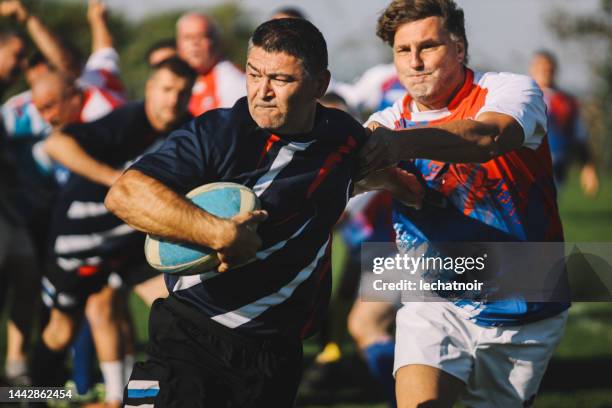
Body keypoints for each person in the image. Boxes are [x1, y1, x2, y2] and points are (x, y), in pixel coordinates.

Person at [105, 18, 373, 407]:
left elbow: (373, 165)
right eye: (253, 74)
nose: (261, 91)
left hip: (278, 355)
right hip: (191, 338)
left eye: (280, 79)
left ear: (320, 85)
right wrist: (219, 234)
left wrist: (402, 182)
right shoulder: (220, 132)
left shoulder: (343, 138)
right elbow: (125, 194)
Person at [357, 1, 569, 407]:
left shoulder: (510, 91)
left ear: (459, 49)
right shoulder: (385, 122)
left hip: (525, 301)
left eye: (428, 47)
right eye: (403, 51)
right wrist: (388, 179)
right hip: (436, 299)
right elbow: (351, 175)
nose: (415, 62)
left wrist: (397, 146)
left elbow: (486, 137)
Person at [30, 57, 195, 407]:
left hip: (133, 242)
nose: (173, 100)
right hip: (78, 239)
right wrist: (119, 182)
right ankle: (27, 396)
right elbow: (55, 145)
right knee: (61, 334)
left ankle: (132, 399)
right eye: (166, 90)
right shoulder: (127, 121)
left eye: (182, 92)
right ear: (150, 89)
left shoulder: (193, 130)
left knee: (177, 314)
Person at [529, 49, 599, 196]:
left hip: (556, 167)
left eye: (549, 68)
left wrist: (588, 168)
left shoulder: (566, 101)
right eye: (541, 67)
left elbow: (580, 136)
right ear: (533, 69)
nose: (546, 71)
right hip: (526, 164)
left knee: (543, 210)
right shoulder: (522, 97)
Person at [176, 12, 245, 116]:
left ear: (217, 42)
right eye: (188, 37)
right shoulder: (171, 78)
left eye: (202, 36)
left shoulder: (232, 79)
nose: (195, 43)